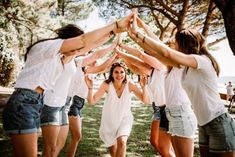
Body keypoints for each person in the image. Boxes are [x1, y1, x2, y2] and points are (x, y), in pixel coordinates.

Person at [2, 12, 134, 157]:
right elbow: (84, 41)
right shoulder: (48, 47)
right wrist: (115, 25)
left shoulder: (61, 59)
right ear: (70, 40)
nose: (78, 52)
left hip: (34, 104)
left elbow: (89, 46)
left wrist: (113, 35)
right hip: (24, 102)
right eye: (76, 46)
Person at [128, 13, 235, 157]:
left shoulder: (201, 60)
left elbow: (165, 52)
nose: (173, 45)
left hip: (218, 122)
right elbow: (157, 51)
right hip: (203, 124)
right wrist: (135, 36)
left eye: (176, 42)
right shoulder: (183, 67)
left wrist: (138, 33)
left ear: (184, 44)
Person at [116, 44, 175, 157]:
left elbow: (139, 58)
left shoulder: (161, 66)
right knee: (156, 142)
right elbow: (136, 68)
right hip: (158, 109)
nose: (145, 61)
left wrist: (121, 52)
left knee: (166, 146)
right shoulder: (152, 72)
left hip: (167, 109)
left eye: (148, 58)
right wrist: (123, 58)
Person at [85, 62, 150, 157]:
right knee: (113, 150)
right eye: (116, 72)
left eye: (122, 72)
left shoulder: (130, 84)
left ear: (125, 73)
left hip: (125, 119)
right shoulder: (106, 84)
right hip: (109, 121)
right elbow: (92, 101)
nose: (119, 75)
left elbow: (145, 101)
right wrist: (90, 88)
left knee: (122, 142)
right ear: (112, 73)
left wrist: (144, 87)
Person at [66, 45, 118, 157]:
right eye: (93, 60)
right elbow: (101, 68)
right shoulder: (82, 68)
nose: (95, 62)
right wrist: (113, 54)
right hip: (73, 104)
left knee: (76, 137)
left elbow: (106, 68)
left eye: (96, 61)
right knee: (76, 136)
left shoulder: (90, 72)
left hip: (79, 105)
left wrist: (117, 57)